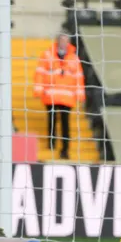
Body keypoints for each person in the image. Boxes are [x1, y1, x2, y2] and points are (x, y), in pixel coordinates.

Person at [34, 32, 85, 160]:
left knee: (65, 123)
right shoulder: (47, 55)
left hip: (67, 96)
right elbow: (40, 73)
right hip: (51, 94)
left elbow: (78, 77)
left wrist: (80, 95)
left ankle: (65, 148)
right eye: (62, 40)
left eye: (66, 40)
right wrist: (39, 90)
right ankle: (51, 143)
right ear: (58, 41)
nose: (64, 43)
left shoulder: (74, 57)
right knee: (51, 119)